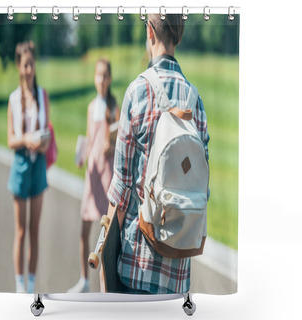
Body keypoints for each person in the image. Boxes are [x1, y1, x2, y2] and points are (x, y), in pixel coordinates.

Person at [106, 14, 210, 294]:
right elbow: (203, 185)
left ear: (150, 31)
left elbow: (122, 188)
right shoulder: (195, 100)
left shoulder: (138, 91)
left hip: (136, 265)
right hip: (178, 274)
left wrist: (105, 251)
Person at [68, 58, 120, 293]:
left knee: (105, 237)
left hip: (107, 176)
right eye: (98, 75)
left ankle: (103, 283)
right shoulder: (91, 107)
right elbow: (90, 140)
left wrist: (112, 145)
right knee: (84, 230)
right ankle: (83, 280)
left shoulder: (114, 108)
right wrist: (82, 156)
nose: (101, 80)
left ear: (109, 79)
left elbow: (118, 140)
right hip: (92, 176)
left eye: (105, 75)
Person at [7, 41, 50, 293]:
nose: (29, 69)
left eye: (32, 64)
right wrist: (28, 140)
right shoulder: (13, 99)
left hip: (39, 166)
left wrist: (42, 144)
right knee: (21, 231)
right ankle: (19, 285)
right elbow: (11, 139)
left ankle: (31, 284)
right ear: (18, 66)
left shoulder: (43, 95)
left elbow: (49, 132)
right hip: (21, 166)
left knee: (35, 230)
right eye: (25, 65)